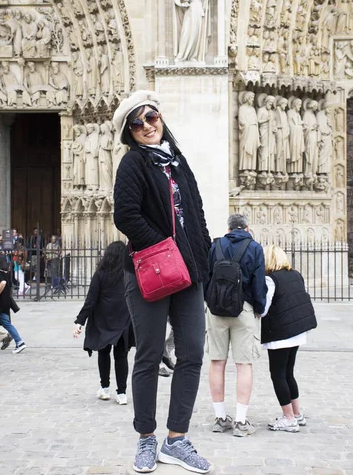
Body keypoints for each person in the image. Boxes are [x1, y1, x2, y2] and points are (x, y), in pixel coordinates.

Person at [113, 90, 212, 474]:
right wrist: (164, 247)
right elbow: (125, 215)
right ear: (129, 132)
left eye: (151, 117)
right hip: (148, 270)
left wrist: (201, 255)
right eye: (137, 123)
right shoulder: (132, 165)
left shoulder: (178, 161)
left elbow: (197, 212)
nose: (147, 126)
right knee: (150, 355)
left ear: (161, 118)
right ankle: (146, 438)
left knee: (192, 353)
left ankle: (176, 439)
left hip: (189, 273)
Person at [206, 213, 267, 437]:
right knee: (243, 365)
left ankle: (220, 417)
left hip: (216, 311)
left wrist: (210, 302)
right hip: (244, 309)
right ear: (247, 227)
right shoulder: (255, 247)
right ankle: (241, 421)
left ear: (229, 228)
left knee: (216, 362)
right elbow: (260, 284)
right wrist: (258, 308)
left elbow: (207, 276)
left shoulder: (216, 246)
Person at [261, 245, 317, 432]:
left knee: (277, 374)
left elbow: (264, 308)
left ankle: (288, 418)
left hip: (281, 333)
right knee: (288, 373)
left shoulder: (270, 279)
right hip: (298, 331)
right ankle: (297, 413)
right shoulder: (295, 274)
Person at [73, 242, 134, 405]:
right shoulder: (128, 273)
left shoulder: (100, 274)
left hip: (103, 321)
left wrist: (80, 322)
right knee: (121, 356)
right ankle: (122, 393)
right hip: (123, 320)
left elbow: (90, 300)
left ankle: (105, 388)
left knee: (104, 353)